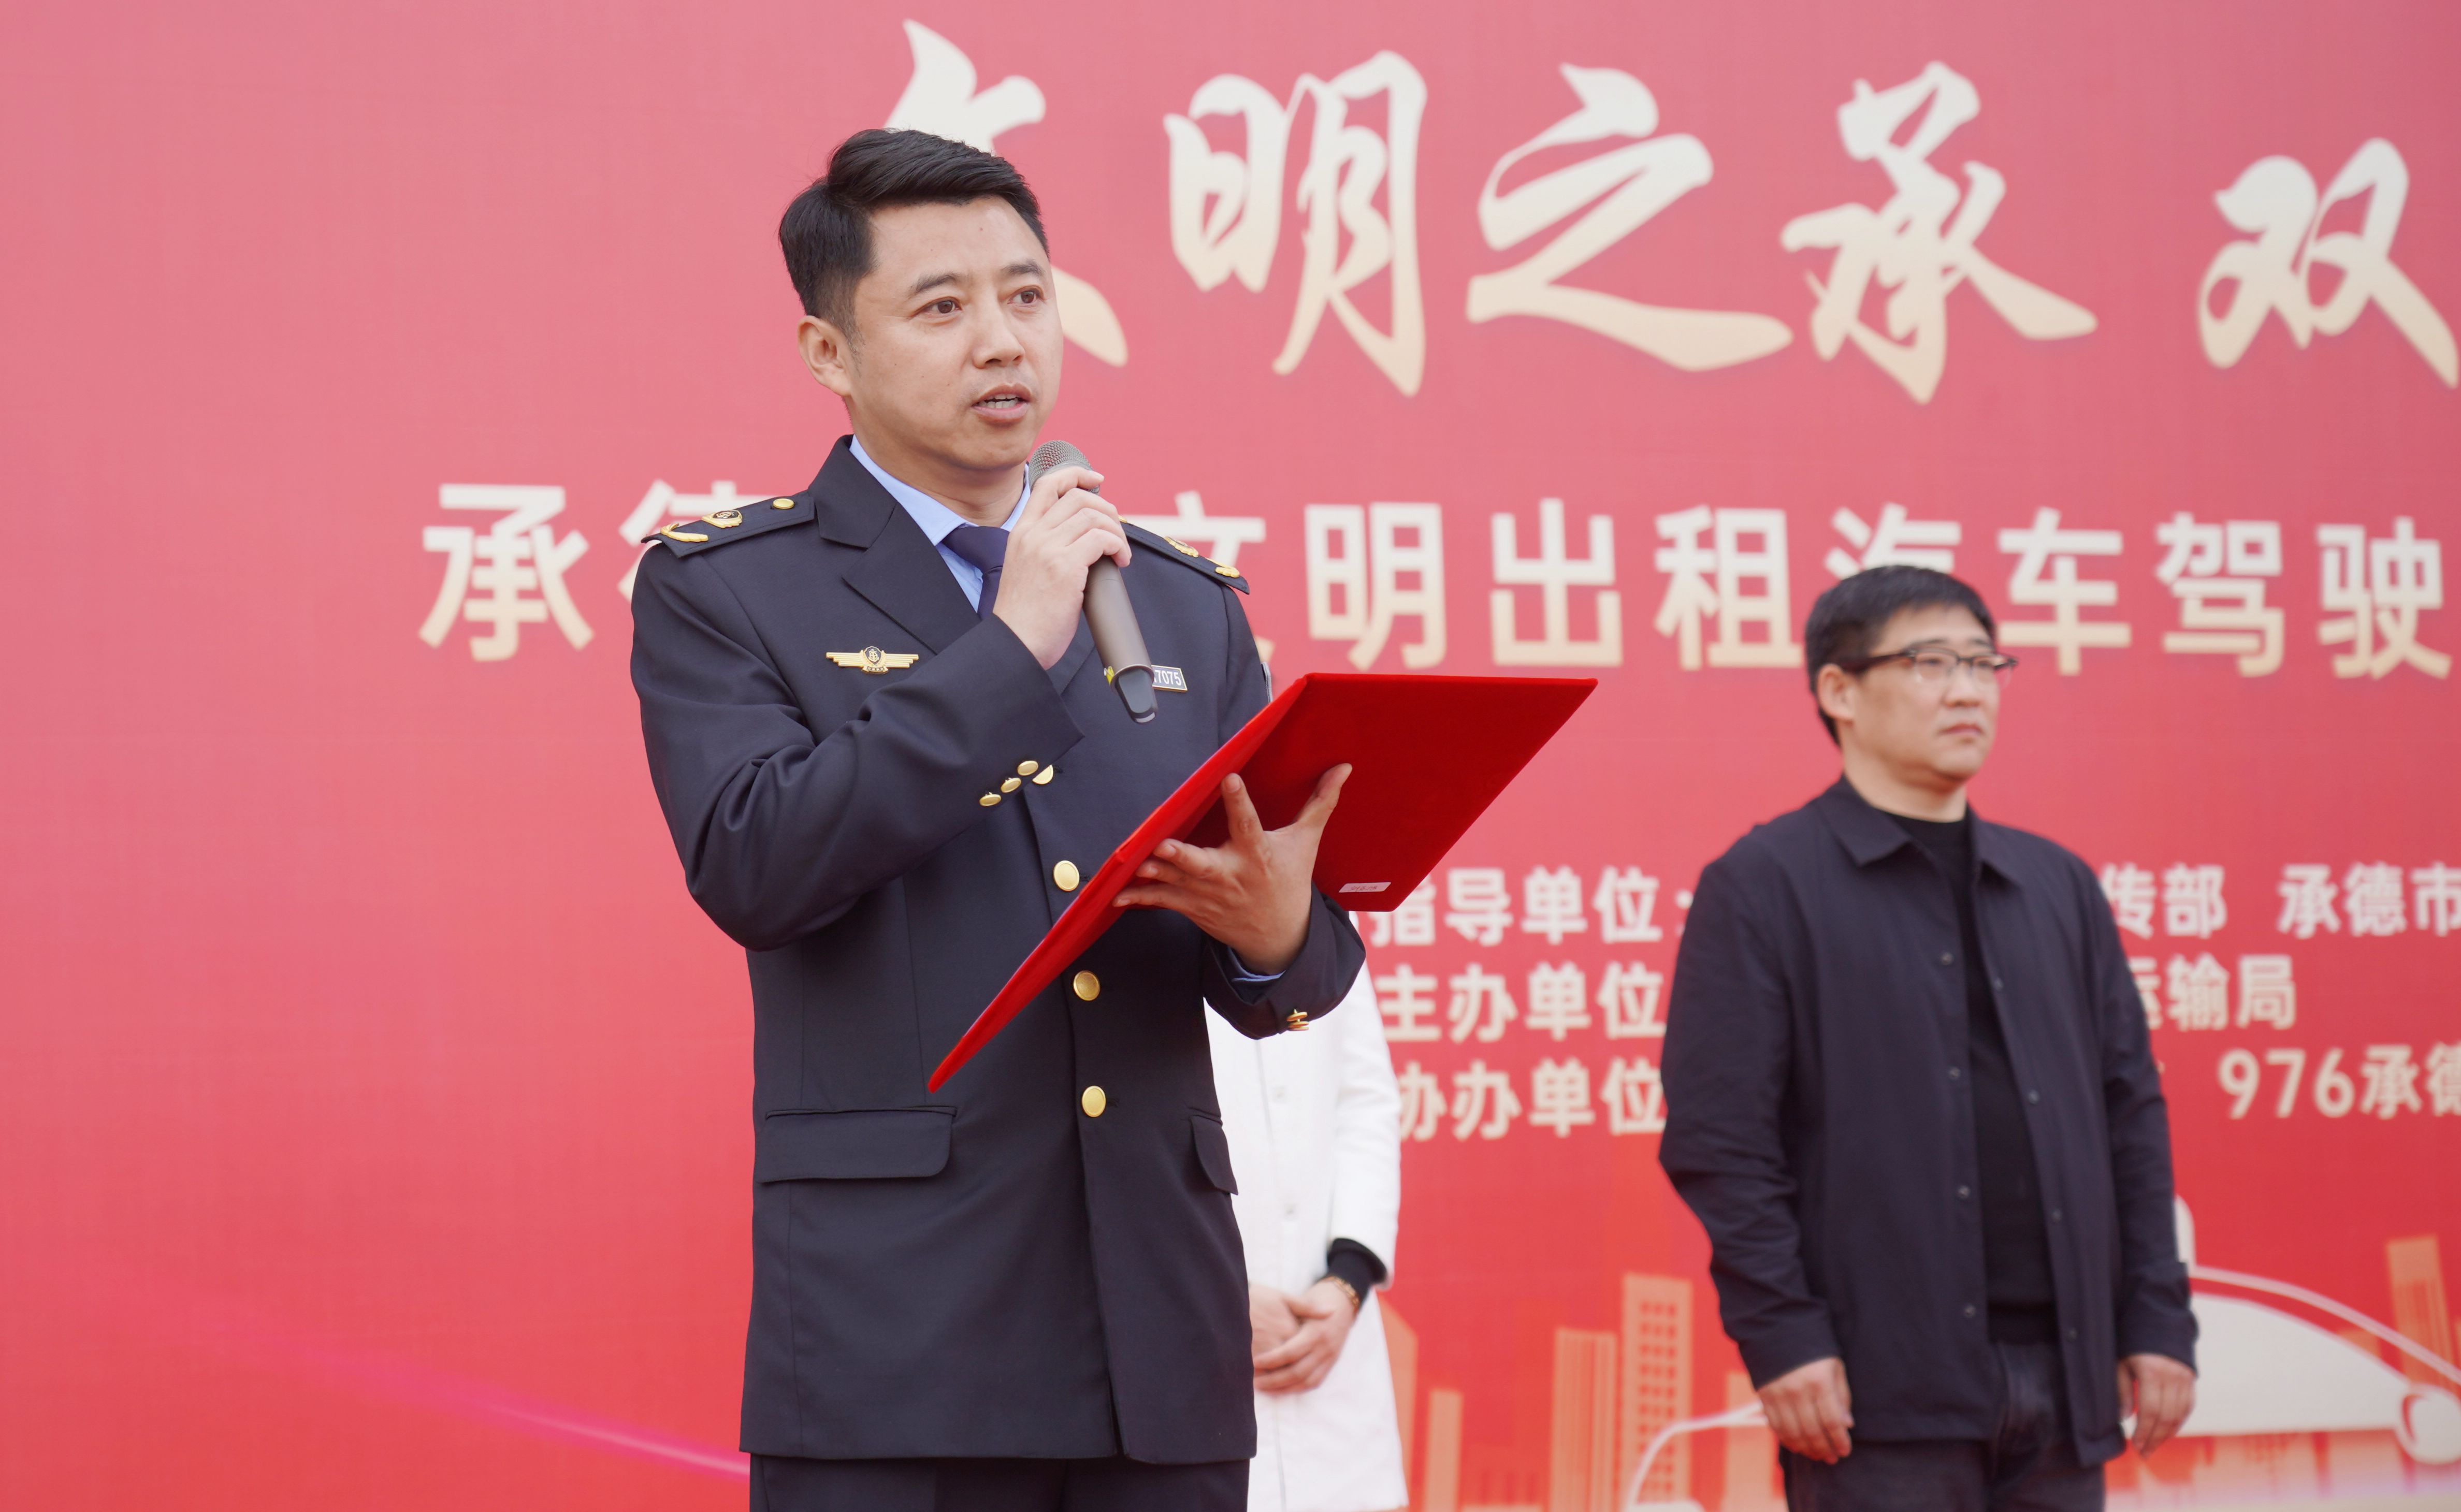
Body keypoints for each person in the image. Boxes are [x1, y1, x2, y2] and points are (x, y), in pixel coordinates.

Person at [628, 128, 1365, 1512]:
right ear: (828, 352)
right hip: (900, 1355)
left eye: (1027, 295)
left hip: (1159, 1354)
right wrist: (1008, 647)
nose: (1001, 340)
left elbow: (1286, 978)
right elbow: (757, 862)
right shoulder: (727, 591)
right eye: (941, 306)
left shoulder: (1179, 603)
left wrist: (1276, 937)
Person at [1658, 565, 2197, 1511]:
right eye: (1930, 663)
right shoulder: (1764, 884)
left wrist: (2156, 1317)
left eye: (1984, 664)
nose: (1966, 691)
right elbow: (1722, 1142)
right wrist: (1783, 1335)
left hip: (2067, 1378)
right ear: (1839, 691)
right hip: (1877, 1395)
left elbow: (2130, 1117)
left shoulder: (2057, 886)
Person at [1209, 966, 1409, 1512]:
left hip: (1333, 1349)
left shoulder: (1329, 915)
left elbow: (1365, 1101)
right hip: (1189, 1342)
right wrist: (1215, 1300)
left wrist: (1347, 1285)